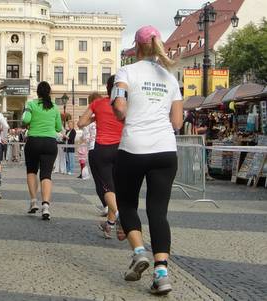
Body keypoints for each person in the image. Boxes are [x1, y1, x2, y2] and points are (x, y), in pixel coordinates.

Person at [111, 26, 183, 295]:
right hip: (165, 150)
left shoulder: (126, 72)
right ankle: (162, 273)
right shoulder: (170, 78)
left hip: (133, 148)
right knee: (158, 212)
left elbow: (119, 106)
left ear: (137, 47)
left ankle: (139, 251)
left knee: (127, 204)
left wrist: (126, 116)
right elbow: (177, 121)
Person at [77, 76, 124, 240]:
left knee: (107, 188)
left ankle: (119, 217)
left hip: (102, 149)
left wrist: (95, 117)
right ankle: (109, 225)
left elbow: (81, 123)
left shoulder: (97, 103)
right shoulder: (126, 104)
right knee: (116, 189)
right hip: (122, 149)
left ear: (107, 88)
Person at [22, 81, 62, 220]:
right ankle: (46, 205)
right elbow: (58, 128)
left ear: (37, 93)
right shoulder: (55, 108)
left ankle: (33, 202)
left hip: (33, 141)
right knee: (46, 174)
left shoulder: (31, 104)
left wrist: (28, 115)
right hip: (50, 143)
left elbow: (25, 119)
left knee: (32, 171)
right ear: (49, 93)